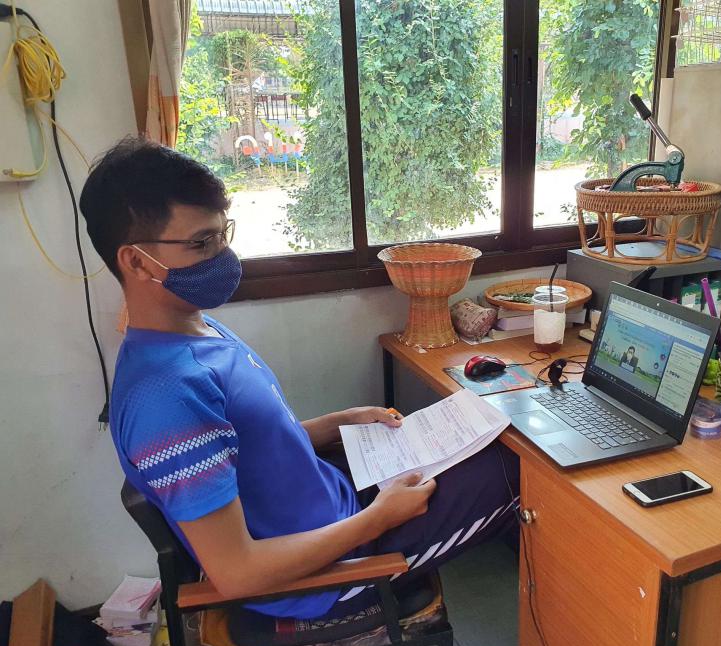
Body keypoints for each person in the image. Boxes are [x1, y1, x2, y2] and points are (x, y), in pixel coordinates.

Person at [81, 137, 519, 620]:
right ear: (136, 261)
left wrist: (336, 423)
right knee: (519, 472)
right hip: (324, 580)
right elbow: (238, 573)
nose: (223, 254)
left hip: (335, 504)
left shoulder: (198, 330)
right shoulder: (166, 398)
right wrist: (379, 519)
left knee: (488, 436)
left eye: (223, 233)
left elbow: (250, 450)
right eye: (202, 242)